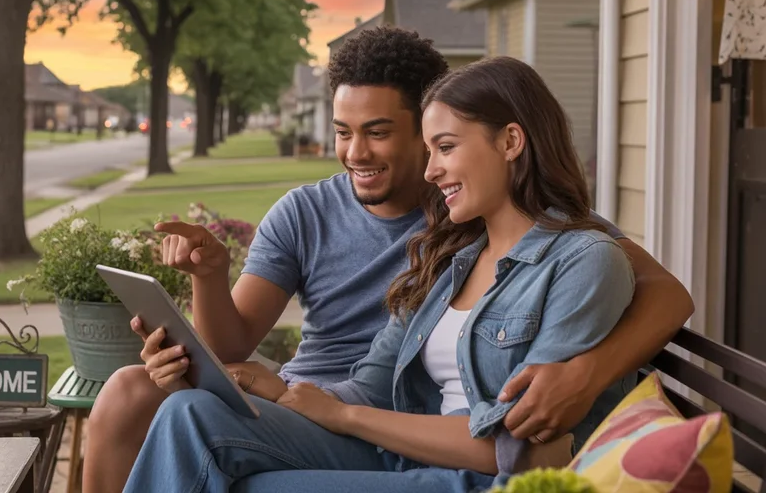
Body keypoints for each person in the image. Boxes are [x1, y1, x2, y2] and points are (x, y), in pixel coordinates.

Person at [81, 26, 693, 492]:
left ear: (508, 142)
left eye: (438, 145)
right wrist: (282, 386)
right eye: (343, 131)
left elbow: (662, 292)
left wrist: (587, 374)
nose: (355, 153)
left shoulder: (569, 252)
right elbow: (310, 366)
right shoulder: (449, 251)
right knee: (181, 408)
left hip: (435, 455)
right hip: (373, 421)